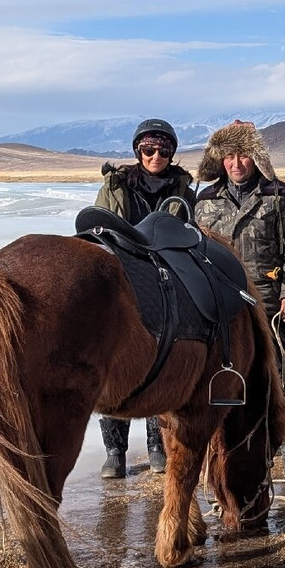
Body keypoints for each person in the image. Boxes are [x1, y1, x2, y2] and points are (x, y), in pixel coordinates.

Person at [193, 120, 285, 478]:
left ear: (256, 158)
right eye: (229, 156)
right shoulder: (205, 201)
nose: (236, 163)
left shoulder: (278, 196)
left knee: (280, 375)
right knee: (223, 375)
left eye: (243, 155)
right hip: (220, 305)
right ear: (220, 161)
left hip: (269, 302)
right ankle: (231, 445)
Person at [94, 117, 198, 478]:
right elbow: (98, 232)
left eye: (164, 149)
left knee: (162, 357)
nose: (156, 156)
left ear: (172, 152)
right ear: (138, 151)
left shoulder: (183, 188)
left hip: (166, 279)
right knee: (116, 359)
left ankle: (156, 445)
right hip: (123, 278)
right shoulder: (116, 184)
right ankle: (115, 451)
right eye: (149, 149)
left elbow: (191, 232)